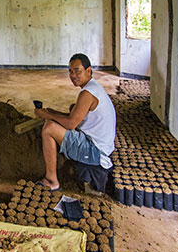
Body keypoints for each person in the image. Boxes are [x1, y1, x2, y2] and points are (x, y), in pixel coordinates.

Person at [34, 53, 116, 194]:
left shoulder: (87, 93)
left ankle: (52, 181)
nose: (73, 75)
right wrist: (54, 113)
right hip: (101, 146)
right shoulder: (94, 88)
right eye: (70, 72)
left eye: (77, 71)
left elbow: (71, 124)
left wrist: (47, 115)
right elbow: (74, 117)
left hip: (95, 151)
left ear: (88, 70)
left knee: (49, 128)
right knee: (72, 108)